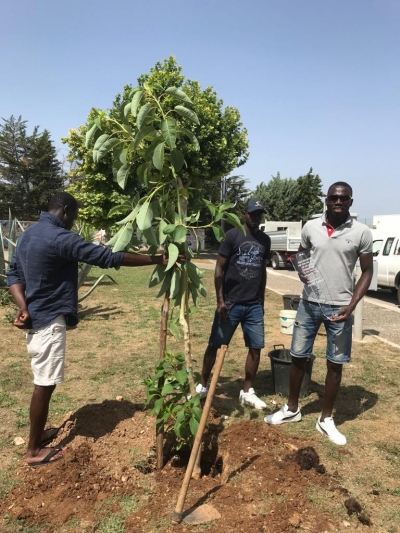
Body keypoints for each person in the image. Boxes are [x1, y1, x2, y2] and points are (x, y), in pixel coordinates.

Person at [7, 192, 178, 467]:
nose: (73, 221)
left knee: (44, 381)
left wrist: (23, 306)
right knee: (44, 384)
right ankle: (33, 450)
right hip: (48, 321)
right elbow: (107, 257)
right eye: (73, 214)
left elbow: (14, 274)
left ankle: (37, 437)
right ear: (64, 210)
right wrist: (156, 260)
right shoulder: (60, 238)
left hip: (36, 318)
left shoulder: (30, 234)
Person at [265, 182, 373, 445]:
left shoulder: (361, 232)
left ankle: (325, 418)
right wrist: (301, 268)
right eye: (334, 198)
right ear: (326, 200)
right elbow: (302, 254)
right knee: (298, 356)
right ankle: (292, 409)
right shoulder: (310, 226)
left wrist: (353, 304)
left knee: (335, 363)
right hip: (309, 304)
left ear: (350, 201)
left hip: (340, 307)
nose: (338, 202)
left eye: (343, 198)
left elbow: (367, 271)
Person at [196, 198, 271, 409]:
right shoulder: (232, 235)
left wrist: (262, 300)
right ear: (244, 214)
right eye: (253, 214)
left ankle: (247, 391)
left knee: (256, 348)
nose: (256, 218)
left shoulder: (265, 240)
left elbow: (263, 271)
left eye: (260, 214)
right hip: (230, 303)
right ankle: (202, 385)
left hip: (253, 304)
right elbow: (219, 269)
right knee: (215, 345)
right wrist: (220, 300)